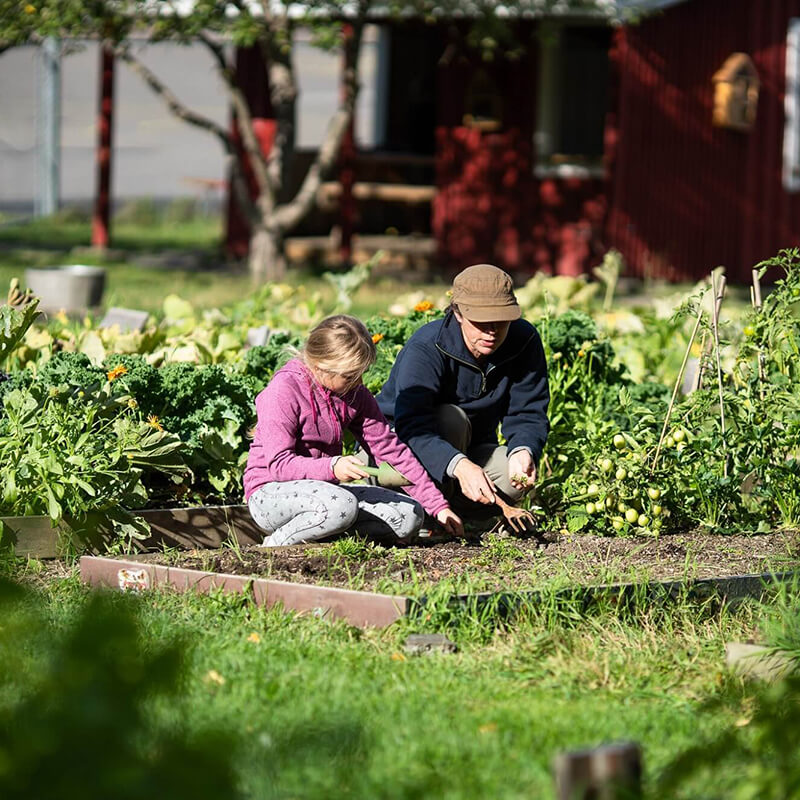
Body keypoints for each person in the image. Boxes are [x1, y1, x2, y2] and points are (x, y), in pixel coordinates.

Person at [244, 315, 464, 547]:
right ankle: (275, 546)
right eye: (350, 376)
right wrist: (332, 467)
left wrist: (438, 507)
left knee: (409, 515)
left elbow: (391, 451)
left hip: (325, 495)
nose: (359, 382)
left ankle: (326, 536)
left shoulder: (355, 395)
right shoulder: (283, 391)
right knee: (340, 506)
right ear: (321, 365)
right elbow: (279, 465)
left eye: (361, 373)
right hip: (270, 494)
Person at [376, 264, 549, 520]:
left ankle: (453, 517)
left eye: (501, 320)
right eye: (481, 320)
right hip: (400, 453)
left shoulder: (524, 341)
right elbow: (412, 426)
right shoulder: (427, 346)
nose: (492, 330)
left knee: (512, 476)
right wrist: (458, 464)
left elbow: (528, 410)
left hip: (471, 450)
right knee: (451, 419)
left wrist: (524, 448)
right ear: (457, 313)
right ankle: (420, 511)